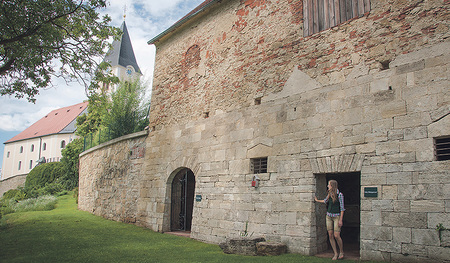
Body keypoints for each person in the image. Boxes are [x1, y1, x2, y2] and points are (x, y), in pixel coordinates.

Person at [315, 180, 345, 260]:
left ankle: (341, 251)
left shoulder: (340, 195)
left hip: (336, 217)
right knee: (330, 235)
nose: (328, 186)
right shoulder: (330, 194)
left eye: (329, 185)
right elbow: (325, 201)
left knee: (336, 235)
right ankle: (335, 253)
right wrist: (317, 200)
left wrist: (340, 220)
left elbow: (342, 208)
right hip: (329, 216)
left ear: (332, 185)